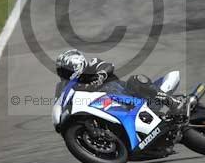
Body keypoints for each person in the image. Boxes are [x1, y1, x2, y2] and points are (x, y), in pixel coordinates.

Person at [55, 49, 185, 116]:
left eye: (64, 71)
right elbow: (59, 103)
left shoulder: (92, 64)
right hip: (103, 108)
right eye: (61, 72)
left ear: (75, 64)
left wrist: (100, 75)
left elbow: (108, 66)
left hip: (127, 94)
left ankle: (172, 102)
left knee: (135, 79)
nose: (63, 75)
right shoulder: (64, 86)